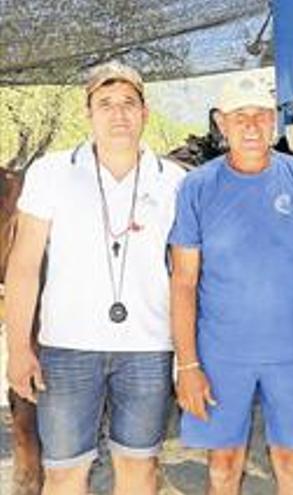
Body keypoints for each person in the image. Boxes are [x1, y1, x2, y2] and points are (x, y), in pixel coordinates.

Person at [4, 61, 186, 495]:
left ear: (144, 112)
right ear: (88, 113)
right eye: (105, 103)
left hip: (148, 349)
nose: (117, 113)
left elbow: (186, 275)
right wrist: (16, 350)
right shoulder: (50, 172)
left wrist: (188, 357)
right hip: (66, 350)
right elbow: (24, 265)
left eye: (128, 103)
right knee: (65, 474)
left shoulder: (176, 181)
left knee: (140, 470)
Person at [169, 72, 293, 495]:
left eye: (261, 115)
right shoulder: (197, 187)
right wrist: (188, 365)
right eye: (240, 117)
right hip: (219, 357)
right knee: (224, 466)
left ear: (274, 121)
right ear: (221, 123)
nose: (251, 125)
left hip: (291, 354)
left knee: (292, 464)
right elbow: (183, 281)